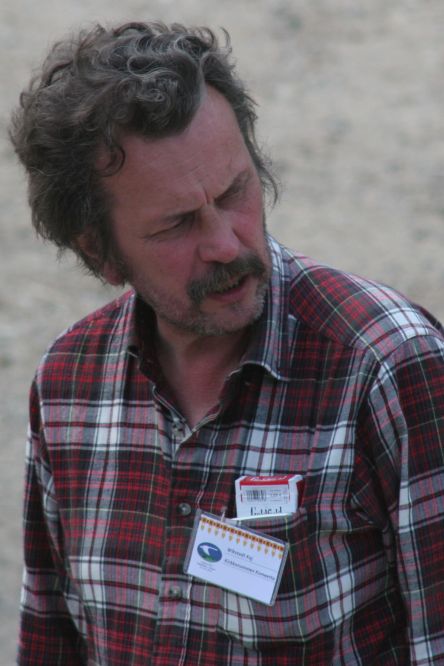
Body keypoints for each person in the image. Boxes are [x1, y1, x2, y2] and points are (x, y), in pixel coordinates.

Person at [10, 20, 444, 665]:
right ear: (99, 252)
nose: (224, 243)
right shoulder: (68, 386)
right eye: (178, 224)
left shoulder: (388, 367)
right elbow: (51, 642)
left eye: (235, 191)